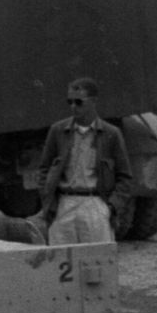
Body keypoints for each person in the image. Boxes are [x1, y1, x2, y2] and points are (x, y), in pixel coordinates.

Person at [36, 75, 132, 245]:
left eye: (79, 102)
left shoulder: (111, 134)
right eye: (70, 102)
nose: (73, 106)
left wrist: (110, 207)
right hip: (63, 205)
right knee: (61, 258)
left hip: (95, 204)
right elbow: (44, 169)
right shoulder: (58, 131)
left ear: (93, 101)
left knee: (96, 258)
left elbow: (125, 177)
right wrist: (48, 202)